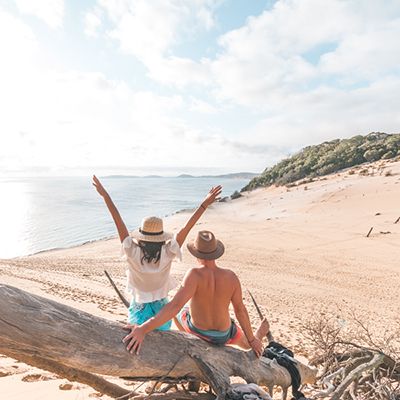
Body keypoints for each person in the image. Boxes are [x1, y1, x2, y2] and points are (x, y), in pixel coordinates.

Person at [92, 175, 222, 330]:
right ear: (161, 238)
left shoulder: (132, 251)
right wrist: (204, 204)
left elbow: (117, 219)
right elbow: (186, 228)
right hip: (162, 314)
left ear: (141, 236)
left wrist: (105, 195)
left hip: (138, 312)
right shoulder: (168, 253)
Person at [123, 230, 269, 357]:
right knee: (244, 342)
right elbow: (240, 310)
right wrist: (252, 340)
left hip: (199, 333)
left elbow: (174, 307)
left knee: (177, 311)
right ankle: (255, 339)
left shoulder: (194, 275)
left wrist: (143, 329)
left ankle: (187, 338)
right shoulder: (231, 277)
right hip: (223, 335)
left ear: (197, 254)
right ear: (216, 253)